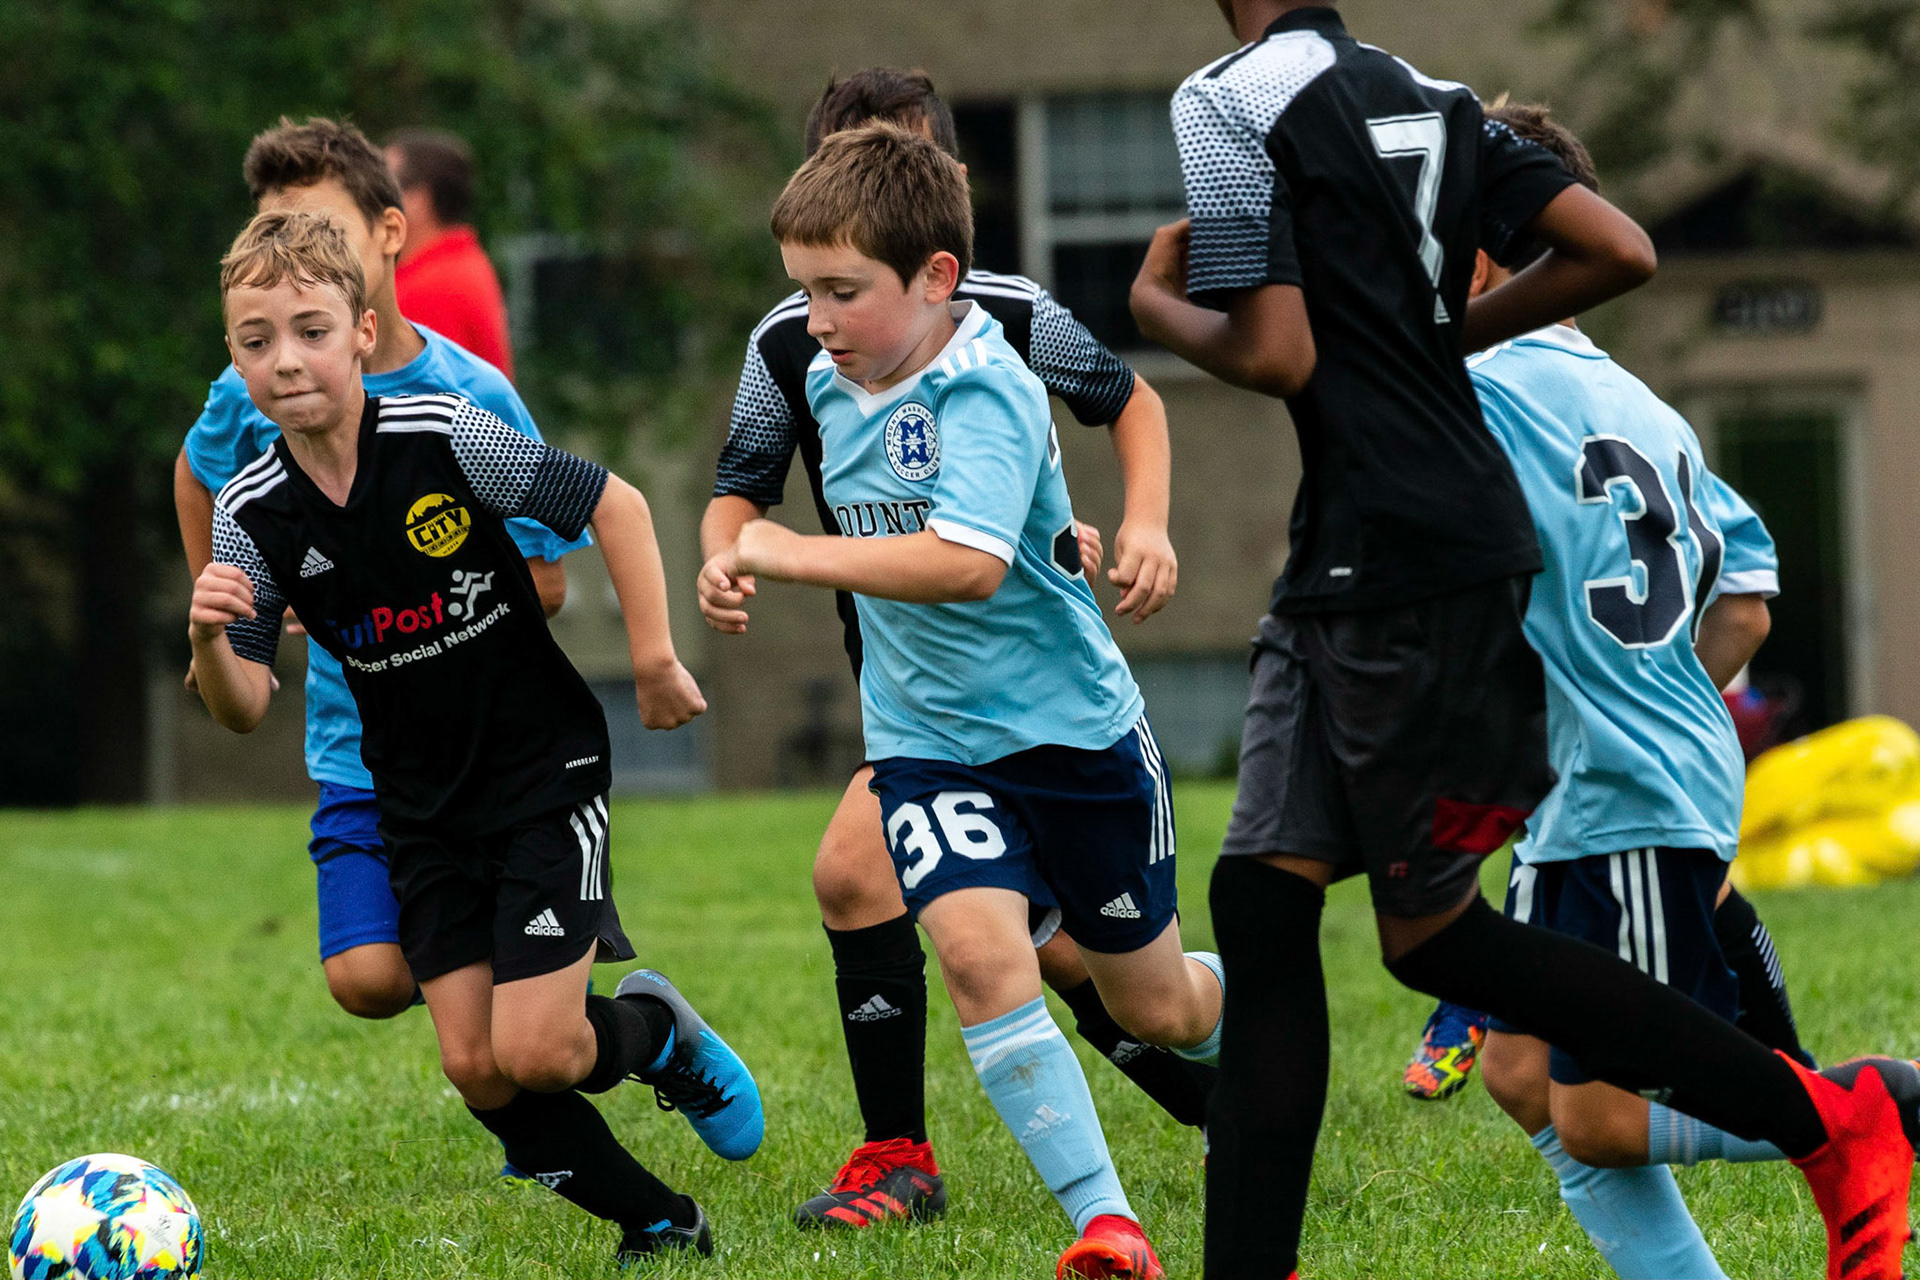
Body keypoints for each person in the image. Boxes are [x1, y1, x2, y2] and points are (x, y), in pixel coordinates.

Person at [1129, 4, 1919, 1278]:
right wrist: (1429, 348)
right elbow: (1621, 255)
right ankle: (1829, 1116)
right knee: (1320, 935)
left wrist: (1153, 303)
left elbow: (1275, 350)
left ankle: (1837, 1110)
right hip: (1389, 569)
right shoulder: (1438, 101)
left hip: (1428, 589)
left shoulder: (1227, 99)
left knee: (1484, 997)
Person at [698, 67, 1213, 1232]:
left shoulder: (1007, 335)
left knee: (1141, 987)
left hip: (1061, 715)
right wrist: (728, 554)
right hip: (921, 716)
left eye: (844, 281)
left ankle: (1231, 1068)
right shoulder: (801, 345)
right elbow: (736, 492)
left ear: (943, 216)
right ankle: (1091, 1216)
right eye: (812, 278)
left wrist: (1130, 524)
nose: (821, 311)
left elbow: (1104, 425)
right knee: (970, 945)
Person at [188, 210, 757, 1264]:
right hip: (419, 806)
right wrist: (211, 639)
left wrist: (653, 658)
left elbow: (618, 505)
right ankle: (661, 1221)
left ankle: (657, 1035)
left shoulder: (443, 435)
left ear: (364, 330)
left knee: (538, 1047)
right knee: (479, 1066)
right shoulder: (252, 510)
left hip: (542, 772)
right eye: (255, 340)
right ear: (233, 356)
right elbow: (243, 704)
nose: (285, 359)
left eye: (309, 329)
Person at [1449, 101, 1834, 1279]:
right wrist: (1657, 682)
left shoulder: (1488, 384)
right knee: (1521, 1076)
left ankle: (1873, 1110)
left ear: (1481, 241)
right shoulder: (1639, 400)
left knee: (1606, 1112)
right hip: (1605, 787)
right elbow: (1749, 603)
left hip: (1623, 795)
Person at [172, 123, 581, 1135]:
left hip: (489, 750)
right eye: (271, 230)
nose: (291, 252)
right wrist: (228, 607)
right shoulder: (251, 387)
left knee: (514, 1040)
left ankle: (575, 1099)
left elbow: (553, 579)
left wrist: (411, 598)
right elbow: (196, 470)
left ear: (388, 235)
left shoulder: (463, 398)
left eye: (318, 229)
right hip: (362, 748)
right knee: (365, 976)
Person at [385, 129, 515, 379]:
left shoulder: (431, 287)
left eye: (381, 184)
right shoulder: (458, 265)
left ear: (419, 200)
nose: (367, 196)